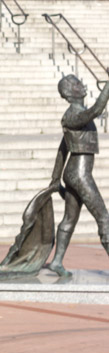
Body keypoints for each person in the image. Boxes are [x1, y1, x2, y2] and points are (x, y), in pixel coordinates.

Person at [46, 75, 109, 275]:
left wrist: (56, 179)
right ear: (67, 93)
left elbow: (63, 148)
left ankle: (56, 261)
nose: (81, 85)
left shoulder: (76, 115)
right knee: (104, 219)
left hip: (75, 173)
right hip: (80, 175)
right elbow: (97, 109)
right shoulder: (73, 116)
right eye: (75, 84)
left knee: (69, 220)